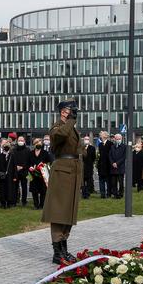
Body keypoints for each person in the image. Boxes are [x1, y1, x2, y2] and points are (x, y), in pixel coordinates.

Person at [42, 99, 82, 264]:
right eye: (68, 110)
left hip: (72, 172)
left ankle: (64, 249)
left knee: (68, 211)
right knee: (59, 212)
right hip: (62, 173)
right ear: (62, 111)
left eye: (73, 110)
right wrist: (71, 121)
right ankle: (57, 252)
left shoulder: (71, 128)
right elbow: (61, 136)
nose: (71, 112)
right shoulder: (57, 127)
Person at [29, 138, 51, 209]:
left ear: (41, 144)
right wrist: (30, 167)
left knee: (43, 190)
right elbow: (28, 163)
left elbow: (49, 162)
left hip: (42, 175)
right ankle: (36, 205)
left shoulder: (45, 153)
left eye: (39, 142)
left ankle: (42, 205)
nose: (38, 144)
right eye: (36, 143)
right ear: (34, 144)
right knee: (34, 190)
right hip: (33, 175)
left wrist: (43, 165)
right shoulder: (31, 153)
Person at [0, 139, 16, 208]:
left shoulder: (12, 156)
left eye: (7, 147)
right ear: (3, 148)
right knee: (2, 189)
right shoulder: (0, 156)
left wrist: (15, 176)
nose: (6, 148)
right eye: (5, 147)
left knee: (9, 189)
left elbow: (14, 167)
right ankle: (3, 203)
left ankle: (9, 202)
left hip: (10, 176)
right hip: (2, 176)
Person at [11, 136, 31, 207]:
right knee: (15, 187)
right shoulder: (13, 150)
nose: (20, 141)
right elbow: (12, 160)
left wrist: (22, 167)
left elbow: (28, 161)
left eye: (22, 140)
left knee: (24, 187)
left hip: (24, 171)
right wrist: (16, 166)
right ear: (17, 141)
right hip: (15, 171)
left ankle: (24, 201)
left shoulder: (28, 150)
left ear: (24, 141)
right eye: (19, 140)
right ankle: (15, 201)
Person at [109, 133, 126, 198]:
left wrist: (117, 163)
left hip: (120, 167)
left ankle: (120, 194)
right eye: (116, 139)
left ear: (121, 139)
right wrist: (113, 163)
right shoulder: (112, 146)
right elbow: (110, 156)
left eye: (119, 139)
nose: (118, 140)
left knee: (121, 182)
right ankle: (115, 194)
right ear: (115, 139)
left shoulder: (124, 146)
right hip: (113, 167)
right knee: (114, 183)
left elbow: (124, 157)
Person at [97, 131, 112, 198]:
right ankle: (102, 194)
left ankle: (109, 193)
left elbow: (111, 155)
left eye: (102, 134)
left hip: (108, 165)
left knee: (108, 181)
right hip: (101, 165)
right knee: (101, 180)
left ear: (105, 136)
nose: (100, 135)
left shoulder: (110, 144)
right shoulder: (100, 144)